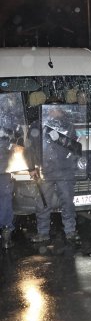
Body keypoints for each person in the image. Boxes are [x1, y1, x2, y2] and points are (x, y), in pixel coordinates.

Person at [26, 102, 81, 242]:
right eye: (52, 109)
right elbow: (30, 149)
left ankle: (71, 231)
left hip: (65, 170)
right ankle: (43, 233)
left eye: (57, 109)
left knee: (67, 202)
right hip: (45, 171)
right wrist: (32, 168)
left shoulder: (68, 126)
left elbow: (75, 148)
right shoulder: (37, 126)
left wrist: (73, 163)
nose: (55, 112)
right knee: (43, 203)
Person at [0, 94, 24, 248]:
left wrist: (11, 146)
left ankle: (6, 228)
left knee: (5, 196)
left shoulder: (8, 117)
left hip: (3, 165)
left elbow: (17, 136)